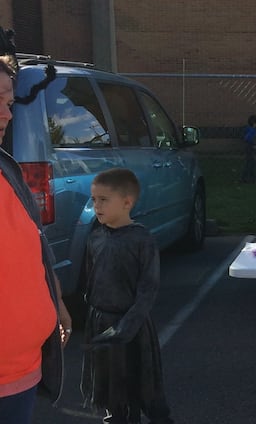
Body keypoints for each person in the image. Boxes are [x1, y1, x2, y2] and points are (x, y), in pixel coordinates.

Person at [0, 52, 70, 423]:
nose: (8, 114)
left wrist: (55, 298)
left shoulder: (7, 168)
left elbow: (33, 248)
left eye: (9, 102)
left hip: (23, 375)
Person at [80, 168, 174, 423]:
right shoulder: (95, 237)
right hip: (102, 324)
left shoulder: (141, 240)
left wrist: (125, 329)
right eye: (94, 199)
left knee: (141, 390)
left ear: (127, 202)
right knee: (112, 392)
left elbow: (148, 289)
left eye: (103, 199)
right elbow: (92, 279)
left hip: (132, 331)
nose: (96, 206)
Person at [240, 114, 256, 183]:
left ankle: (246, 177)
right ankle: (249, 178)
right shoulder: (252, 130)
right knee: (250, 163)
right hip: (249, 147)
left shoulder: (248, 129)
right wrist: (253, 144)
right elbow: (248, 138)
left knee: (249, 162)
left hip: (248, 147)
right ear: (254, 123)